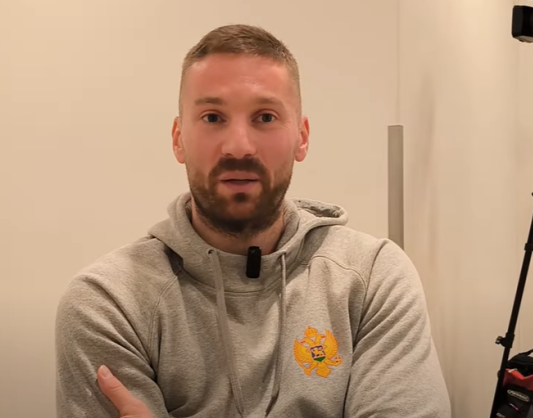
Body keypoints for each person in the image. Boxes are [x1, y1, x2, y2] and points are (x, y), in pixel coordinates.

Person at [55, 24, 451, 418]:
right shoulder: (109, 301)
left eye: (265, 117)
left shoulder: (372, 277)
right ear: (178, 139)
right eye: (213, 117)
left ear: (302, 137)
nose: (239, 147)